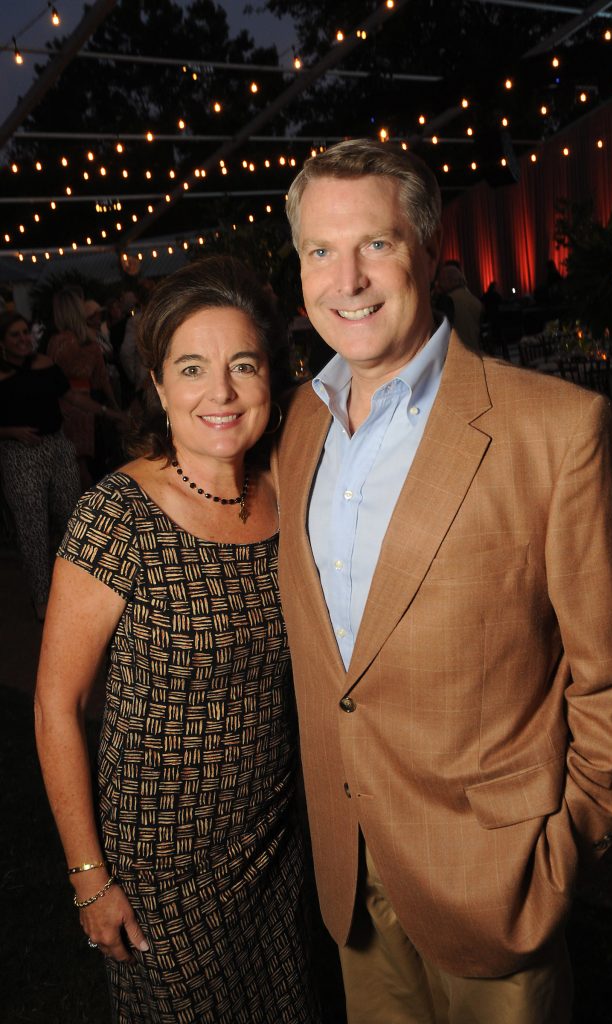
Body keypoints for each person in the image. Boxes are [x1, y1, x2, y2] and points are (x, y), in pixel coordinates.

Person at [273, 138, 612, 1023]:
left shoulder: (558, 431)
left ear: (427, 248)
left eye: (374, 244)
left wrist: (560, 849)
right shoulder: (300, 428)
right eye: (320, 251)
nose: (347, 278)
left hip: (495, 879)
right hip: (351, 872)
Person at [34, 256, 320, 1024]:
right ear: (158, 385)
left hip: (275, 840)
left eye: (243, 366)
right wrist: (89, 878)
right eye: (191, 368)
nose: (220, 393)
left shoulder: (290, 492)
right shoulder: (117, 516)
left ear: (272, 378)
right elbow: (56, 707)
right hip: (161, 863)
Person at [0, 311, 81, 620]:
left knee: (72, 520)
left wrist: (107, 411)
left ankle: (75, 588)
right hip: (19, 455)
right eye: (15, 335)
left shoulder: (45, 365)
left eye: (26, 332)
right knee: (32, 528)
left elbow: (71, 395)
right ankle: (42, 599)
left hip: (57, 447)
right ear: (2, 342)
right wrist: (11, 432)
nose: (23, 339)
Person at [47, 287, 124, 488]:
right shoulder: (90, 340)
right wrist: (115, 408)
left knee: (76, 467)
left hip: (66, 406)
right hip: (90, 404)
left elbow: (51, 378)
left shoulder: (58, 342)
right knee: (93, 461)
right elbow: (102, 379)